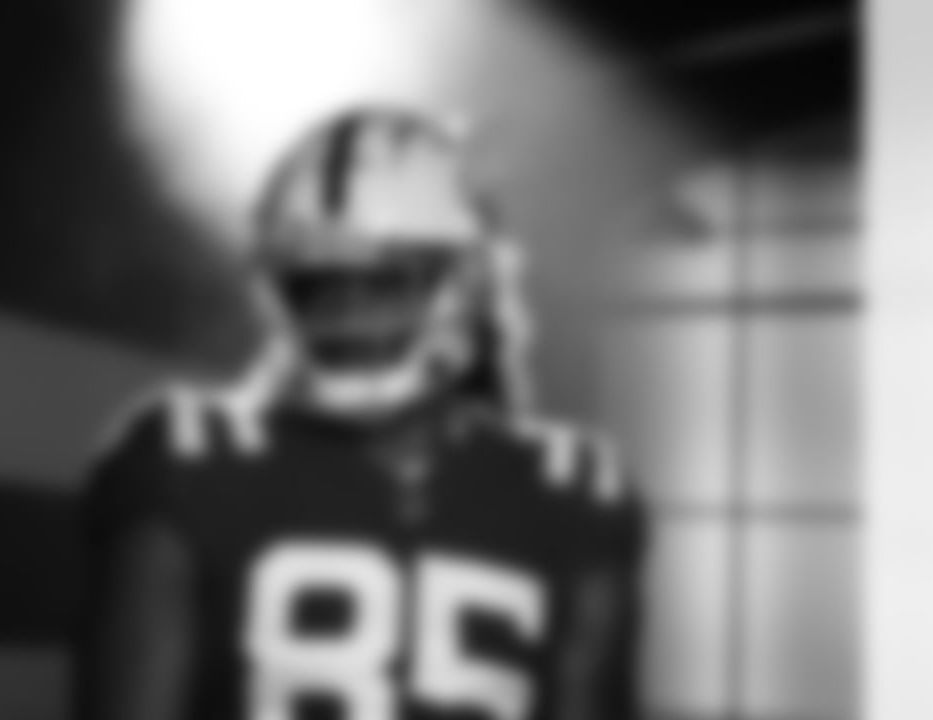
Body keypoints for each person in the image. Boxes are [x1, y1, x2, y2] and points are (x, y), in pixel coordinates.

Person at [74, 106, 646, 720]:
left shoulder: (568, 488)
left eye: (384, 285)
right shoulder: (186, 459)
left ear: (465, 285)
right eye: (320, 287)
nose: (349, 316)